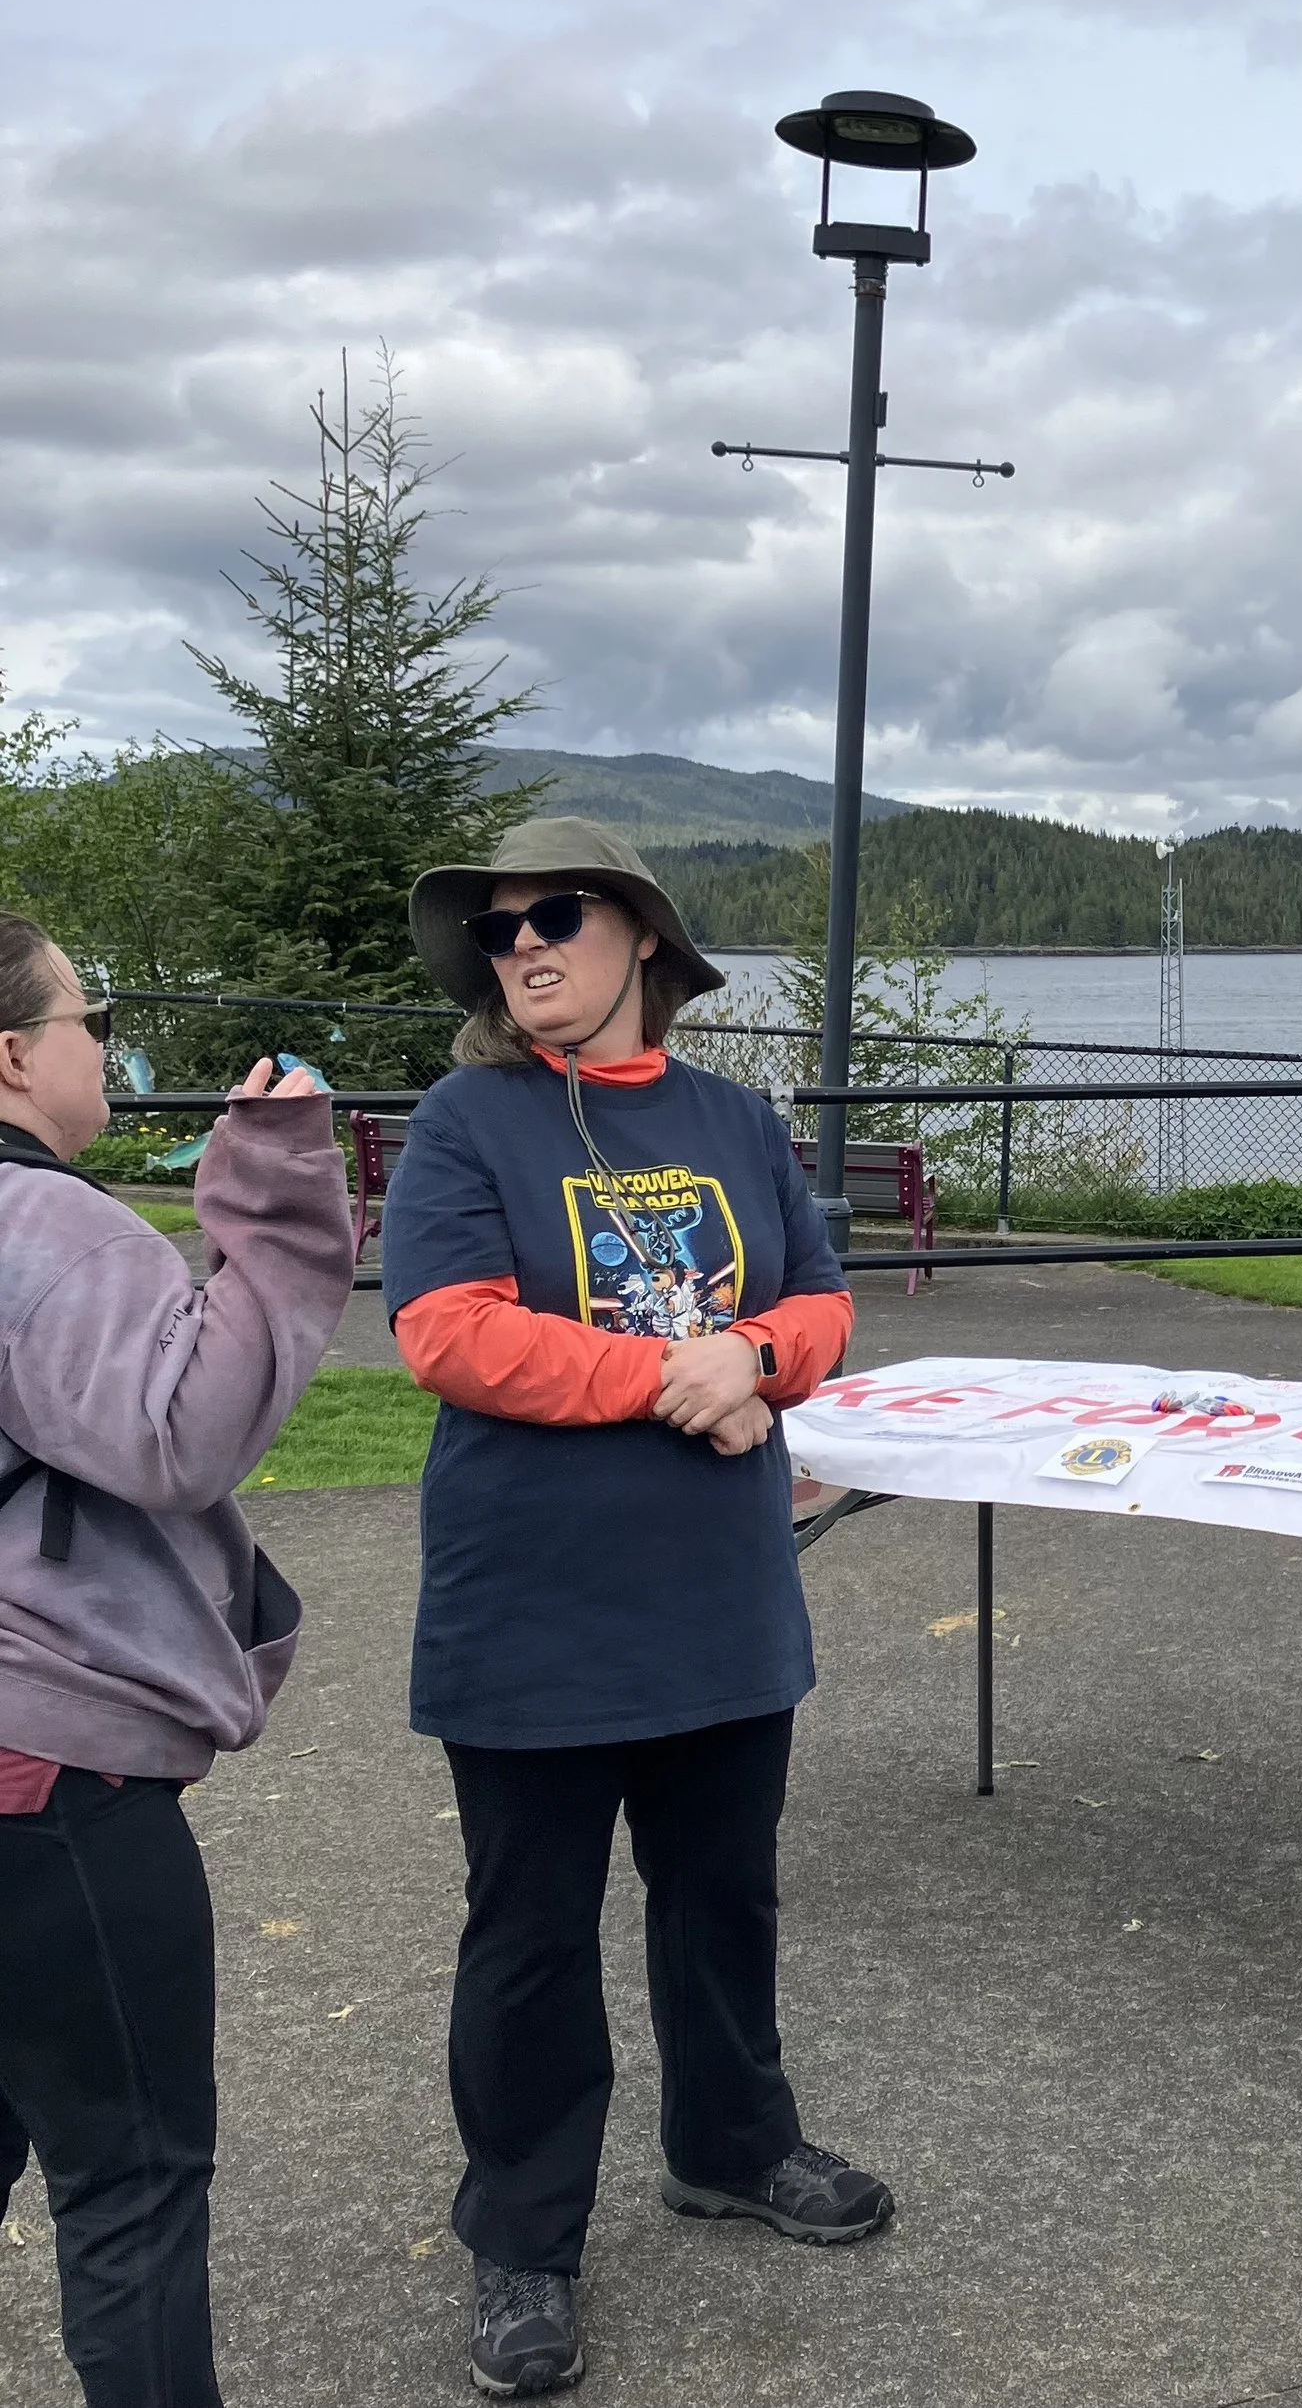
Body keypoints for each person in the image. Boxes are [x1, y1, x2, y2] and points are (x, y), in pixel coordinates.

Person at [385, 818, 887, 2399]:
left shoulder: (736, 1120)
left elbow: (820, 1300)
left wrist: (758, 1358)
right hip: (534, 1613)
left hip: (722, 1604)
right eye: (499, 930)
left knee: (724, 1900)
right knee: (530, 1939)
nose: (522, 946)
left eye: (556, 916)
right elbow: (451, 1334)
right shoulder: (467, 1121)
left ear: (644, 938)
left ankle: (731, 2148)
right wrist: (688, 1375)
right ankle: (525, 2239)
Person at [0, 913, 350, 2407]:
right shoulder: (45, 1225)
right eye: (87, 1019)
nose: (105, 1044)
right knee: (132, 2173)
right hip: (47, 1779)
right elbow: (185, 1432)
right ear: (12, 1054)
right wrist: (275, 1181)